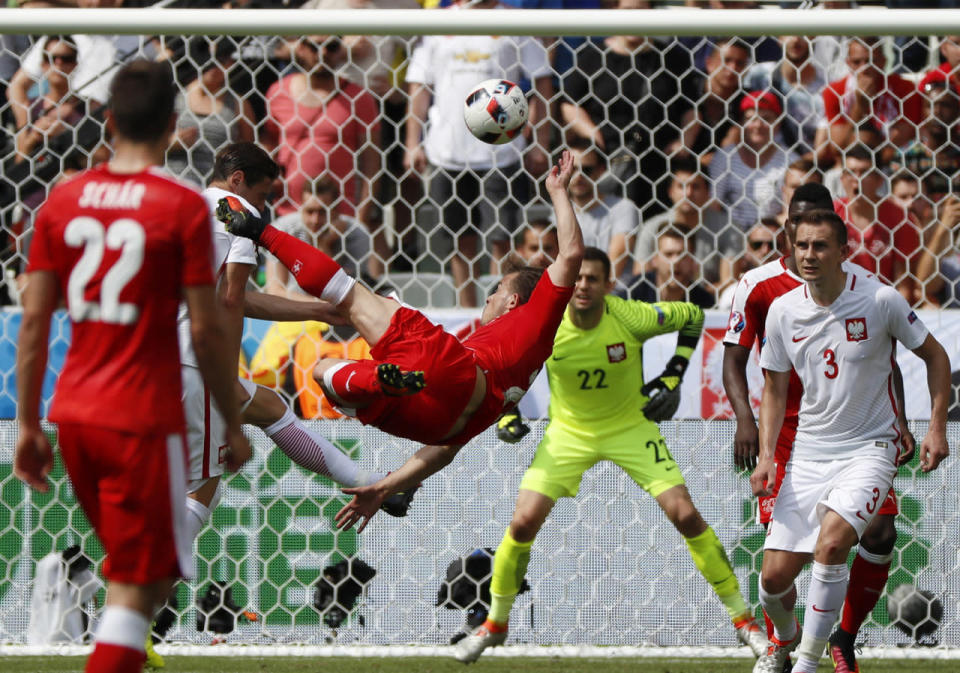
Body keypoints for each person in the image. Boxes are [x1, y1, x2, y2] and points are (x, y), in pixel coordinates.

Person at [14, 59, 249, 673]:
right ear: (174, 125)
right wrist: (232, 422)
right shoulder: (181, 207)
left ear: (109, 120)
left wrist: (29, 426)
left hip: (75, 417)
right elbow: (204, 326)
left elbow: (35, 323)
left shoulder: (61, 203)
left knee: (133, 573)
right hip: (141, 419)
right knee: (140, 586)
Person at [218, 151, 585, 530]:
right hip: (435, 424)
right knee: (324, 372)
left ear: (514, 301)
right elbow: (444, 451)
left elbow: (571, 253)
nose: (488, 298)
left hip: (449, 370)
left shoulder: (538, 313)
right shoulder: (517, 374)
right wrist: (384, 487)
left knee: (351, 294)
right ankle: (377, 379)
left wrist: (558, 191)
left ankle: (258, 230)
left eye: (497, 290)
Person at [453, 248, 767, 664]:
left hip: (628, 429)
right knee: (522, 521)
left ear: (608, 285)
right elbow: (510, 364)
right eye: (578, 278)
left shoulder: (630, 316)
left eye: (593, 279)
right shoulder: (548, 322)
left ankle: (745, 624)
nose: (583, 286)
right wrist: (506, 413)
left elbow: (692, 316)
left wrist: (672, 374)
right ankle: (495, 625)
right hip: (568, 433)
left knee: (686, 515)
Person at [722, 183, 916, 672]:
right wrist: (746, 421)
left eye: (819, 231)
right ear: (788, 231)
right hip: (791, 437)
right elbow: (738, 358)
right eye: (799, 230)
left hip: (861, 432)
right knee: (778, 569)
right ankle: (779, 644)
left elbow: (883, 355)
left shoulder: (864, 287)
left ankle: (839, 641)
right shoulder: (759, 287)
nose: (808, 244)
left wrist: (904, 419)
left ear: (835, 235)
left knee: (878, 535)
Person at [404, 0, 553, 306]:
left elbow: (543, 80)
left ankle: (499, 307)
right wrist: (411, 142)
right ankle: (468, 309)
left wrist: (540, 141)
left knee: (502, 238)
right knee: (459, 240)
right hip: (446, 151)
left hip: (502, 152)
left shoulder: (514, 22)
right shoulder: (438, 24)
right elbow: (419, 85)